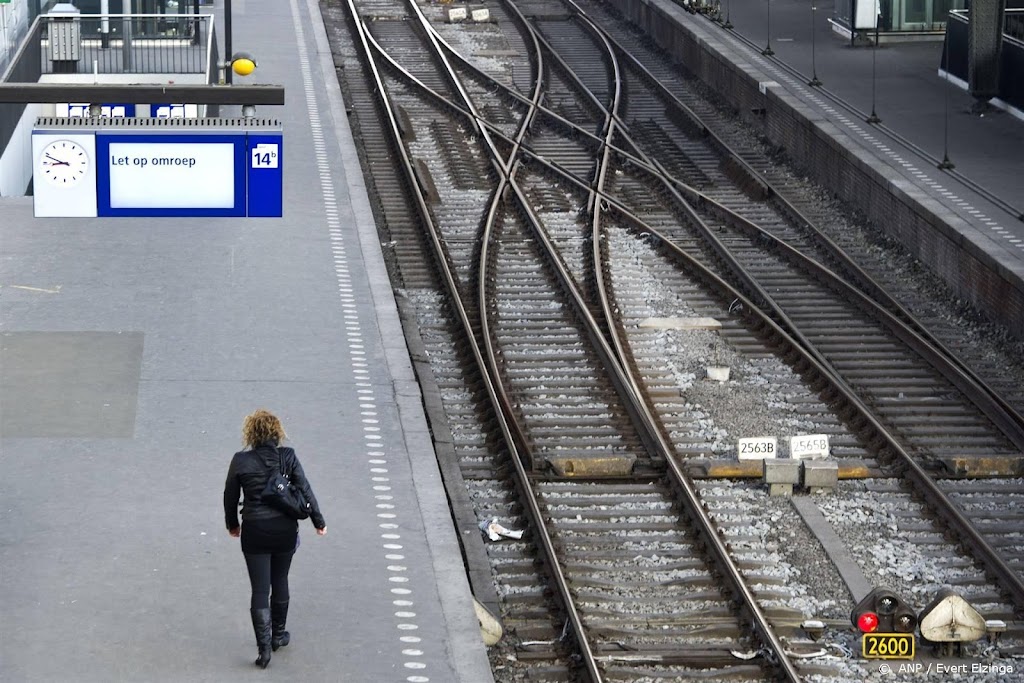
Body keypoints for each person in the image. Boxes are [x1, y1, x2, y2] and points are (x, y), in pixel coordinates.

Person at [223, 409, 327, 669]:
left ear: (251, 434)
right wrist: (319, 521)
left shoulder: (240, 460)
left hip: (255, 530)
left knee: (260, 589)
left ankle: (263, 651)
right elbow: (304, 489)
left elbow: (230, 496)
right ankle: (278, 636)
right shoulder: (288, 456)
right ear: (277, 433)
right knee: (280, 579)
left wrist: (233, 525)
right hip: (284, 530)